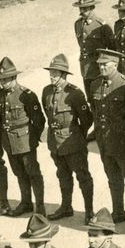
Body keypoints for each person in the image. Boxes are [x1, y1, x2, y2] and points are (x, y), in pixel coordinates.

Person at [90, 48, 125, 226]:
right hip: (105, 141)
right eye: (99, 65)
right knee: (113, 178)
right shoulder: (95, 84)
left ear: (115, 65)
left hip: (124, 141)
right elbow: (95, 110)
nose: (101, 68)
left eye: (105, 65)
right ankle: (118, 212)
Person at [41, 54, 94, 221]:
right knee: (62, 175)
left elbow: (87, 119)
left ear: (64, 74)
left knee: (82, 176)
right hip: (55, 143)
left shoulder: (74, 93)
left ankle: (89, 211)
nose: (52, 76)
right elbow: (47, 113)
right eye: (51, 73)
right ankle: (66, 207)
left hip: (73, 142)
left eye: (55, 73)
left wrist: (77, 135)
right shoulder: (47, 91)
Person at [0, 57, 45, 217]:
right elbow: (0, 117)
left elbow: (39, 120)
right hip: (9, 142)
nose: (3, 83)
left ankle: (40, 206)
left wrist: (32, 138)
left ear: (14, 78)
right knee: (19, 173)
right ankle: (26, 203)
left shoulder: (26, 95)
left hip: (25, 141)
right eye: (1, 80)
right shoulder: (1, 95)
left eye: (6, 79)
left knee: (33, 172)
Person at [72, 0, 115, 105]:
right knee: (90, 99)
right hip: (85, 68)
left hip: (98, 68)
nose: (82, 11)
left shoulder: (101, 25)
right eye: (81, 8)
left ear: (92, 8)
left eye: (85, 8)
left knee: (100, 98)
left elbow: (111, 50)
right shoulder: (78, 24)